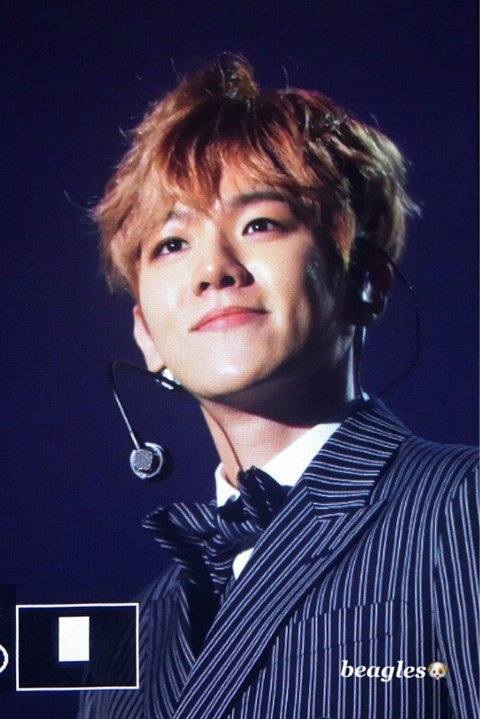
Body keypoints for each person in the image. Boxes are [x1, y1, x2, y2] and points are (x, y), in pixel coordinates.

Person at [79, 55, 478, 719]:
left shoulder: (461, 506)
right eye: (172, 242)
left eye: (260, 223)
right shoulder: (134, 634)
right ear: (146, 333)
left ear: (365, 279)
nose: (213, 268)